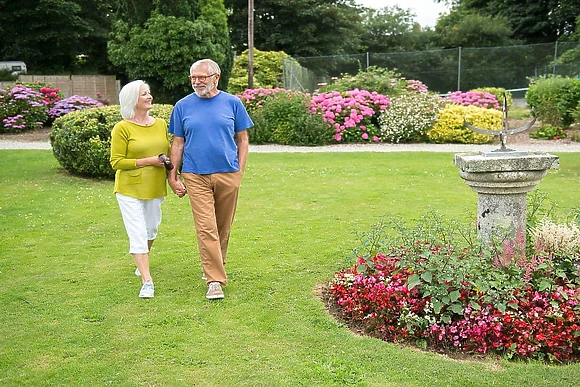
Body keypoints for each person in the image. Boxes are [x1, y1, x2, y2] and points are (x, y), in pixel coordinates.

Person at [168, 59, 253, 300]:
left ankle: (216, 263)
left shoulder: (232, 103)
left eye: (201, 77)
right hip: (195, 175)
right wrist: (172, 175)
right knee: (206, 227)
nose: (196, 82)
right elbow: (178, 143)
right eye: (193, 78)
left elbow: (243, 139)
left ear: (216, 77)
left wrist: (239, 172)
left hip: (228, 173)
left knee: (222, 226)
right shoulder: (183, 106)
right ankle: (214, 280)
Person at [110, 80, 171, 299]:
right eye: (144, 94)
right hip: (129, 188)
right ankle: (147, 281)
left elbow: (169, 153)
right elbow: (116, 162)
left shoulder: (161, 124)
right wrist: (148, 161)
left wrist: (174, 175)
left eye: (149, 92)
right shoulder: (122, 128)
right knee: (137, 233)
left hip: (155, 187)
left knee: (151, 229)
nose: (149, 96)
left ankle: (141, 261)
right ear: (132, 100)